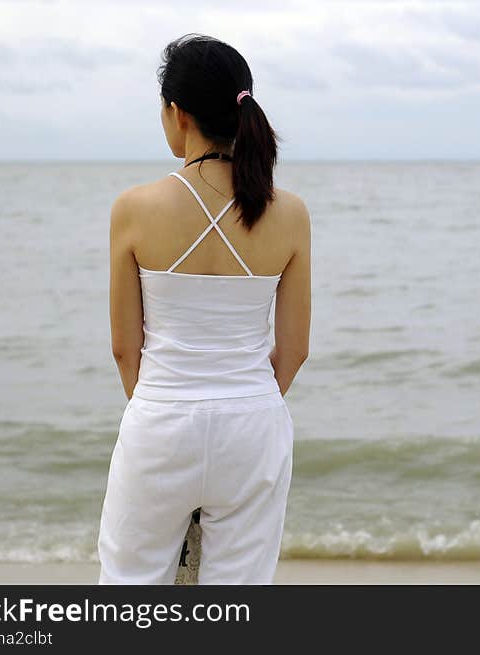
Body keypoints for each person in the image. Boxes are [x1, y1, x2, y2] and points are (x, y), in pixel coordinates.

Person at [97, 33, 311, 584]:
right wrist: (240, 403)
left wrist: (170, 415)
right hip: (254, 425)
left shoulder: (134, 208)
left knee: (130, 584)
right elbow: (294, 350)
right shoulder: (289, 212)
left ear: (177, 112)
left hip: (162, 419)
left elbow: (126, 349)